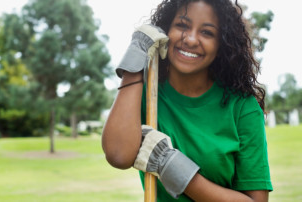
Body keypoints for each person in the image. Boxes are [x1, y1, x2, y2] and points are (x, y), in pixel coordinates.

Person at [102, 0, 273, 201]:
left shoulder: (242, 106)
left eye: (207, 32)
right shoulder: (149, 96)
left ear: (222, 44)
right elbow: (118, 155)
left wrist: (171, 166)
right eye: (182, 25)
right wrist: (137, 56)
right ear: (166, 30)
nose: (191, 39)